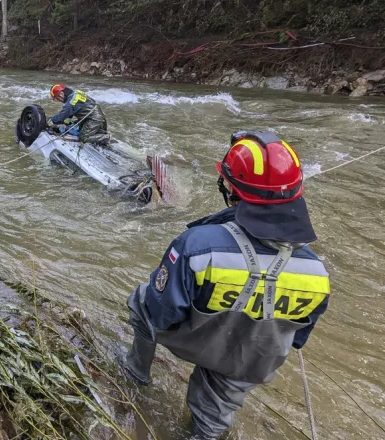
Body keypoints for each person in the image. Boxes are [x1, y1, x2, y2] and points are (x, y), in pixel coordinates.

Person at [121, 131, 330, 439]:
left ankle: (135, 373)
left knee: (141, 300)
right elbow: (297, 339)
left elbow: (160, 312)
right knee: (215, 415)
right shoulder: (317, 271)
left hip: (198, 339)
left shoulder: (197, 245)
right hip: (250, 359)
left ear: (231, 187)